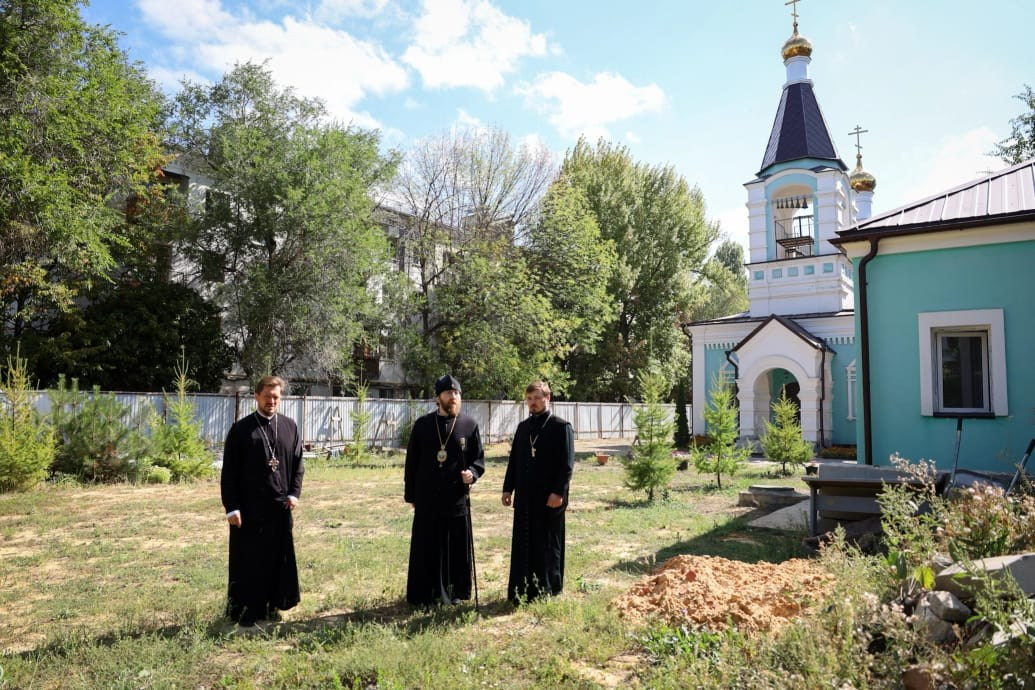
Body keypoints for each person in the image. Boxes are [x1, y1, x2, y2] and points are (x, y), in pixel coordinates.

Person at [220, 375, 304, 627]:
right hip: (249, 510)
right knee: (250, 561)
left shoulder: (289, 426)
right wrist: (231, 507)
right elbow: (229, 472)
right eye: (267, 396)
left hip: (279, 508)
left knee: (277, 559)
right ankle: (247, 610)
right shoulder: (242, 429)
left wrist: (294, 493)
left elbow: (299, 464)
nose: (272, 401)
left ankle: (274, 605)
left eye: (276, 397)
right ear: (256, 396)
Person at [404, 374, 485, 606]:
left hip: (456, 497)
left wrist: (473, 473)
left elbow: (478, 459)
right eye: (449, 393)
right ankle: (424, 593)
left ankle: (456, 591)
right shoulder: (422, 425)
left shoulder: (469, 425)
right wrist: (411, 495)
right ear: (438, 397)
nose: (454, 397)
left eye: (457, 393)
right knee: (427, 544)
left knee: (456, 545)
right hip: (427, 498)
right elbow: (412, 463)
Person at [501, 380, 574, 604]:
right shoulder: (523, 427)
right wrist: (507, 488)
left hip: (549, 497)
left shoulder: (561, 427)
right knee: (524, 541)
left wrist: (558, 492)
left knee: (547, 543)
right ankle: (523, 588)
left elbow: (566, 465)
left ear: (547, 398)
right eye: (529, 399)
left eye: (537, 398)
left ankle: (548, 588)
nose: (532, 403)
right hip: (525, 496)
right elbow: (514, 461)